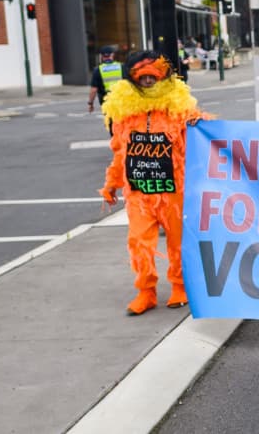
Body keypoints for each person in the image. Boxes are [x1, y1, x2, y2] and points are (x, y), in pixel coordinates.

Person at [98, 51, 208, 315]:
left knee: (178, 241)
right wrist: (111, 184)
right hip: (139, 192)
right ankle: (146, 291)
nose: (147, 81)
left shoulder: (179, 109)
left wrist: (200, 124)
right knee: (139, 241)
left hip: (173, 191)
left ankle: (180, 286)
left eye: (152, 76)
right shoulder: (124, 113)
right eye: (142, 77)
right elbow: (119, 154)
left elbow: (204, 141)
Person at [87, 45, 122, 114]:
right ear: (112, 55)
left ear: (101, 56)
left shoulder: (98, 70)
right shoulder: (121, 67)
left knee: (110, 123)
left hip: (107, 102)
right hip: (121, 102)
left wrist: (90, 103)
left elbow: (93, 90)